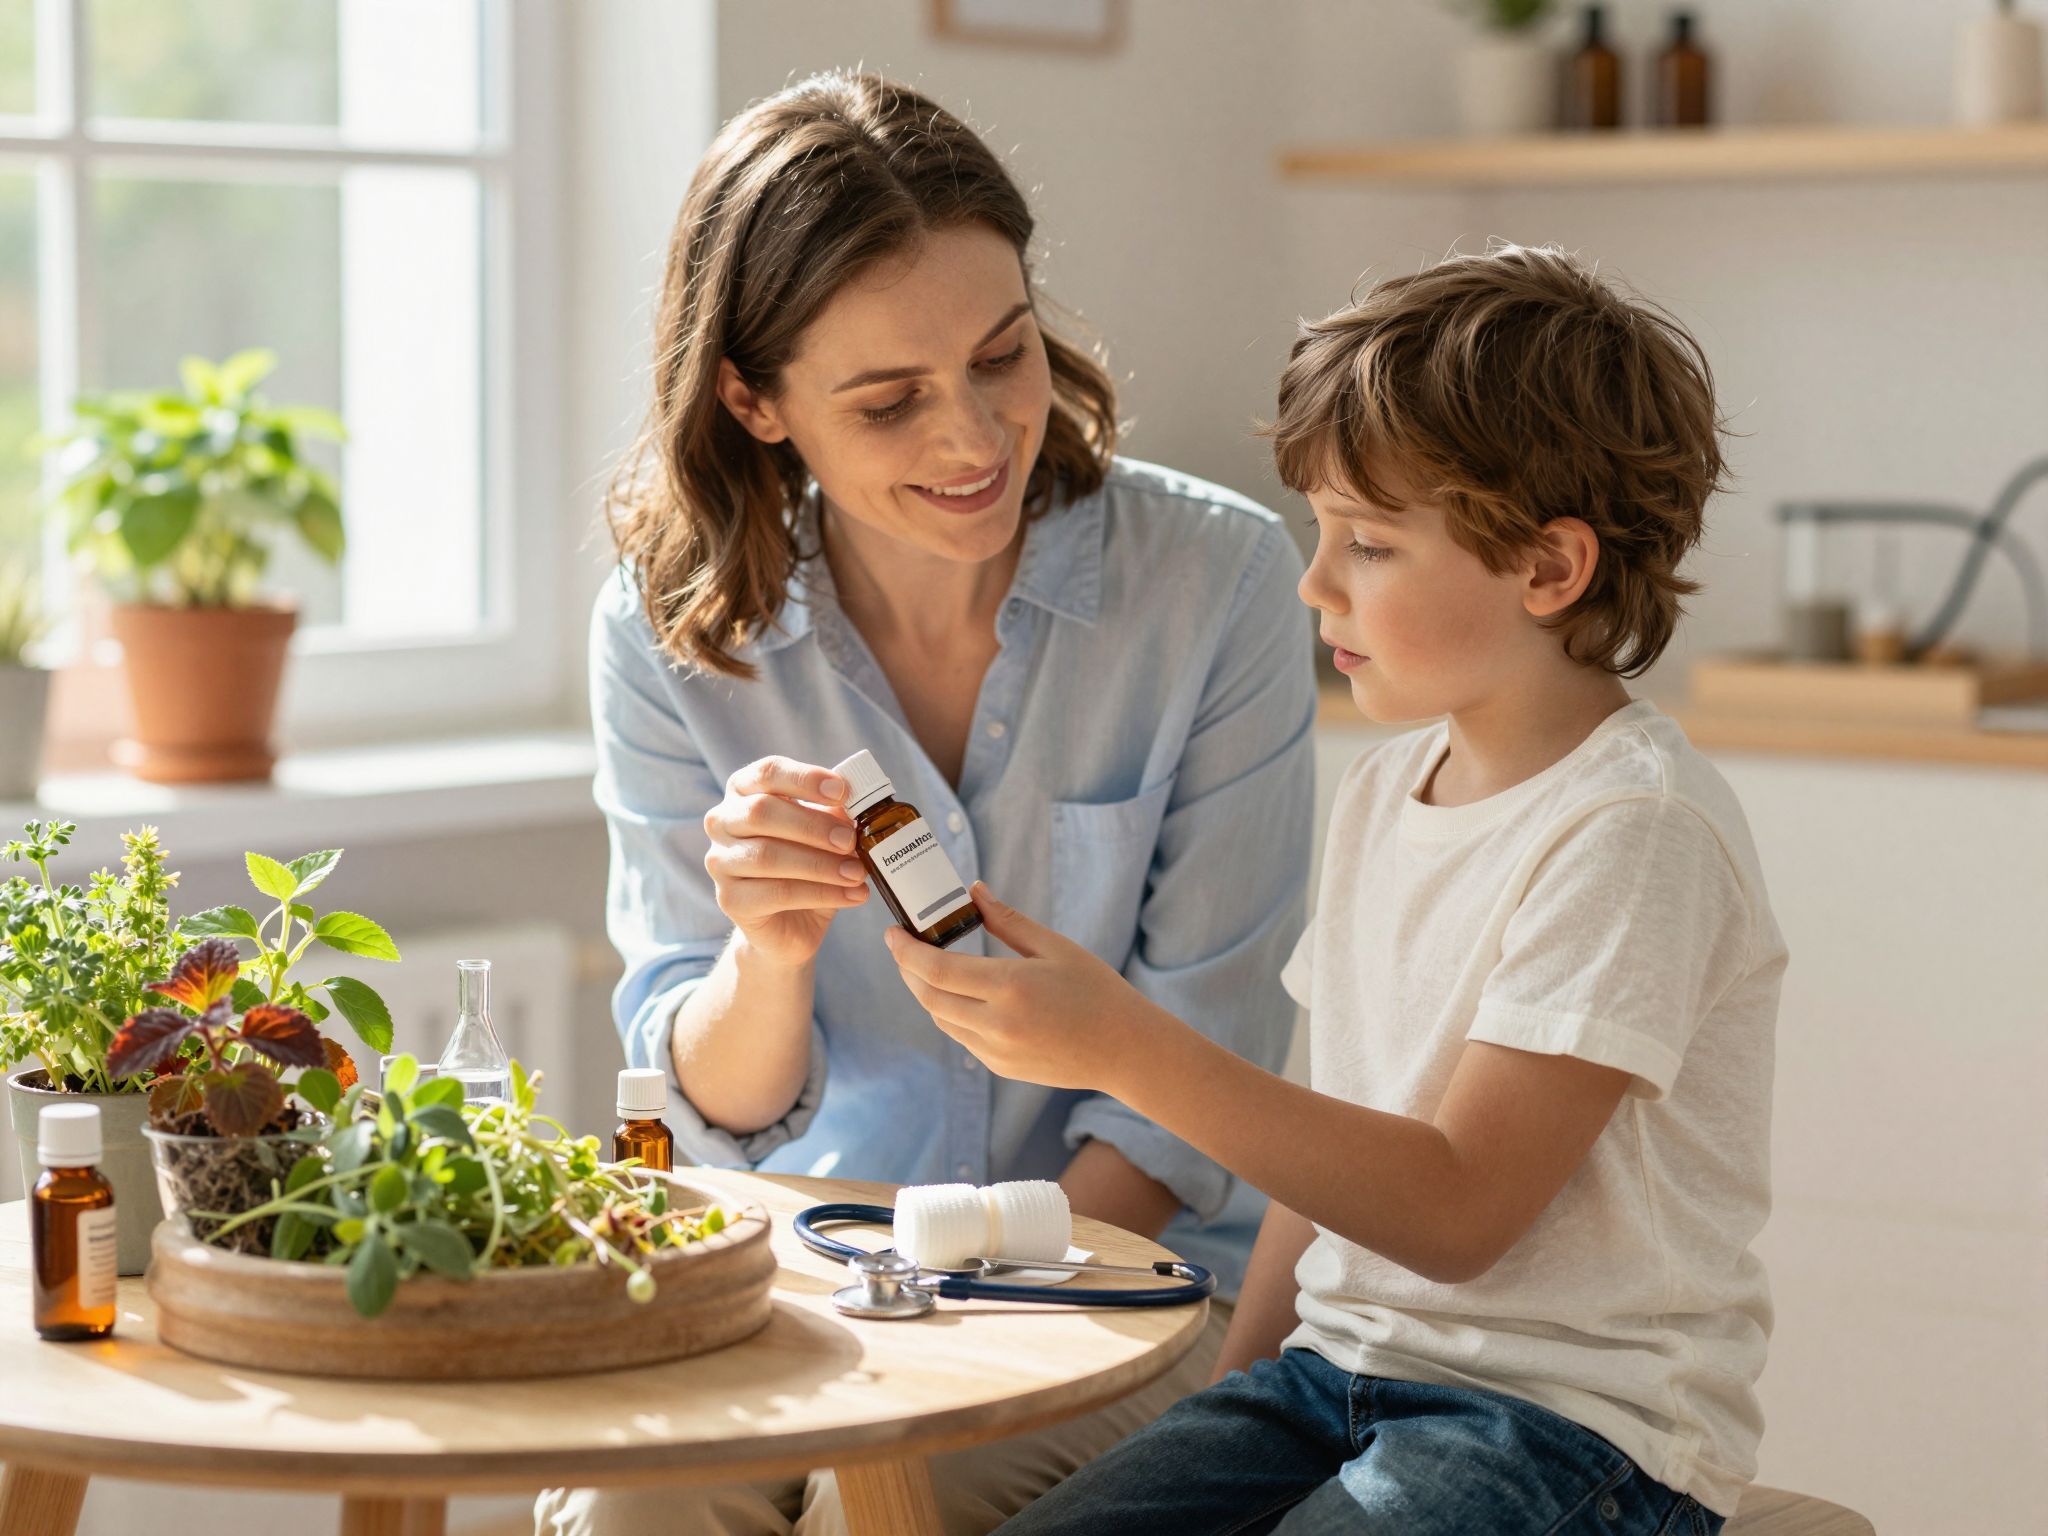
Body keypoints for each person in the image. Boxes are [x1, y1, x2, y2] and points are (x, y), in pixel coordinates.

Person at [889, 244, 1785, 1535]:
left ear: (1549, 569)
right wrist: (1235, 1407)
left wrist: (1121, 1048)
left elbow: (1458, 1208)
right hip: (1334, 1383)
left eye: (1367, 544)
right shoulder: (1387, 787)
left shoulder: (1631, 830)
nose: (1314, 583)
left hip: (1569, 1432)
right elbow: (1320, 1146)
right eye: (1321, 532)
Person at [536, 72, 1315, 1536]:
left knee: (886, 1501)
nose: (973, 441)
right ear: (753, 401)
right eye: (888, 401)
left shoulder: (1218, 585)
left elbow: (1198, 1072)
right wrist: (767, 954)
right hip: (808, 1283)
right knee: (626, 1511)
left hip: (1126, 1288)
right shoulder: (668, 636)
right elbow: (711, 1109)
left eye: (1002, 358)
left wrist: (964, 1303)